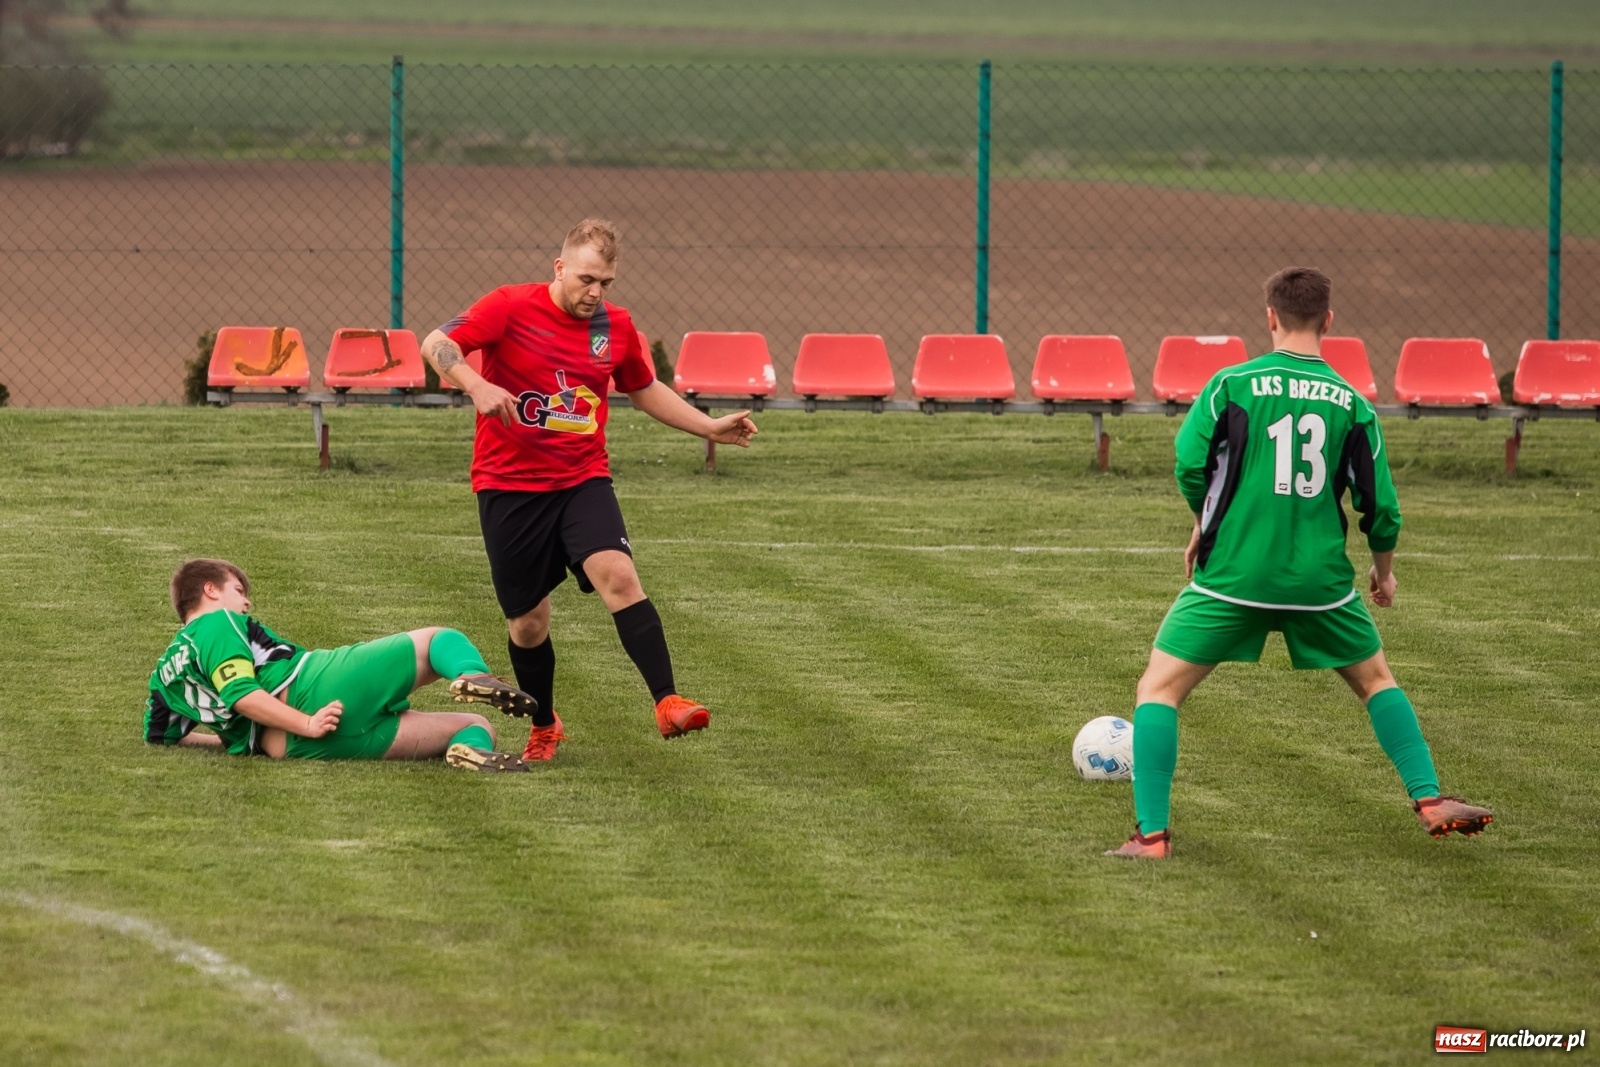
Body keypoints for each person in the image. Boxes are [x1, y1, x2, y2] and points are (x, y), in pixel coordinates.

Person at [1106, 267, 1493, 859]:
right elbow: (1380, 507)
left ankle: (1151, 836)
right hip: (1321, 584)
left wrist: (1206, 523)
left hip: (1235, 577)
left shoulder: (1231, 385)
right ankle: (1430, 799)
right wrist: (1383, 571)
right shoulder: (1353, 404)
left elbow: (1190, 465)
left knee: (1157, 691)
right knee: (1376, 682)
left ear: (1270, 316)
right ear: (1329, 321)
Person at [419, 218, 757, 763]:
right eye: (585, 279)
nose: (594, 292)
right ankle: (546, 723)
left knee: (619, 576)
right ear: (559, 268)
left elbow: (643, 388)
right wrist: (477, 383)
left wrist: (708, 426)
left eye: (605, 282)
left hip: (582, 479)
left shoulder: (615, 327)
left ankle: (667, 700)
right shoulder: (508, 305)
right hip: (508, 487)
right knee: (528, 623)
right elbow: (436, 341)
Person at [146, 558, 539, 772]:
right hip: (316, 690)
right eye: (238, 591)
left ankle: (465, 752)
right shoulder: (217, 622)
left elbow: (164, 737)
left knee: (477, 726)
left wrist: (233, 739)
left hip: (290, 748)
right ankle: (472, 675)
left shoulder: (163, 676)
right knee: (439, 639)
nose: (246, 602)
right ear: (210, 590)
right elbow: (242, 694)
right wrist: (306, 722)